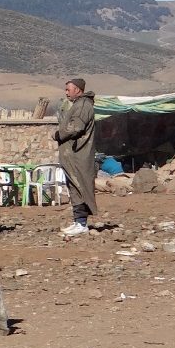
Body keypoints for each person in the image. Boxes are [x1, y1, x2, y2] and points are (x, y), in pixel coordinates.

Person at [55, 78, 98, 235]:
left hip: (79, 155)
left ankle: (82, 223)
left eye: (69, 89)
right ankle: (78, 221)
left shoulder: (82, 106)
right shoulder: (78, 105)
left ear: (78, 90)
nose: (66, 93)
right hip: (73, 155)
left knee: (81, 187)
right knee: (74, 188)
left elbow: (76, 127)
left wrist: (59, 135)